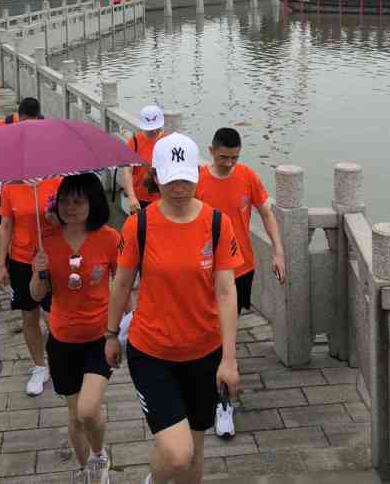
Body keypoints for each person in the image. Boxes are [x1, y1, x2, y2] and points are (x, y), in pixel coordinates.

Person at [105, 133, 243, 484]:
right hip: (153, 351)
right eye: (170, 180)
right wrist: (109, 335)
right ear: (156, 176)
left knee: (194, 451)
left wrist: (229, 358)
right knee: (177, 453)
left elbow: (226, 292)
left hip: (204, 353)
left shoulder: (216, 223)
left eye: (185, 179)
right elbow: (122, 283)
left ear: (196, 175)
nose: (179, 188)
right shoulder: (140, 225)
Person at [195, 126, 286, 438]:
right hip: (205, 270)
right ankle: (222, 402)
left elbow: (266, 213)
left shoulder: (247, 175)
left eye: (234, 157)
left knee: (225, 330)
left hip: (240, 268)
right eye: (223, 157)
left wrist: (278, 252)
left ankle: (221, 384)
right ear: (211, 151)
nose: (229, 163)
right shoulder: (197, 180)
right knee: (213, 330)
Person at [31, 173, 119, 484]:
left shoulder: (109, 238)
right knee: (75, 415)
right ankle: (88, 471)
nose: (71, 206)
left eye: (79, 200)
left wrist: (123, 330)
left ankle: (99, 453)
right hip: (61, 339)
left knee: (87, 409)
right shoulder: (47, 241)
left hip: (99, 336)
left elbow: (122, 287)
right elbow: (36, 296)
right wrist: (38, 272)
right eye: (66, 200)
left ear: (93, 203)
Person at [0, 173, 61, 396]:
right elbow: (6, 225)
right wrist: (0, 265)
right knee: (29, 313)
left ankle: (62, 360)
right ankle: (40, 367)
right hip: (21, 260)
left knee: (56, 315)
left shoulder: (58, 181)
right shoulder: (9, 186)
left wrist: (54, 216)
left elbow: (68, 219)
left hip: (53, 257)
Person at [121, 105, 166, 213]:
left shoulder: (167, 141)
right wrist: (131, 197)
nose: (154, 131)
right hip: (139, 197)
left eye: (156, 128)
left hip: (162, 197)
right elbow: (127, 171)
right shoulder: (134, 142)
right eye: (150, 129)